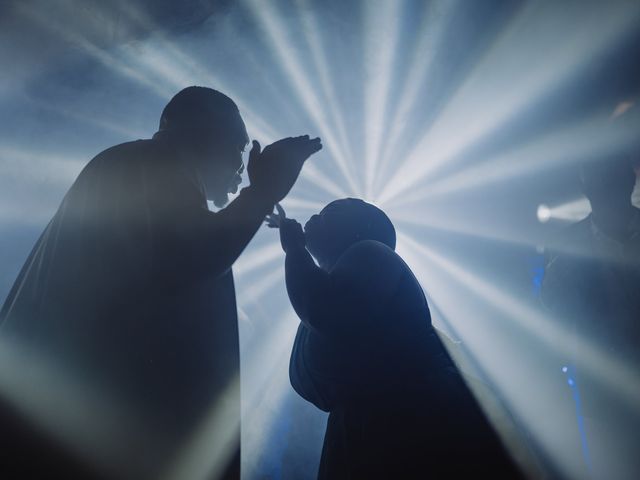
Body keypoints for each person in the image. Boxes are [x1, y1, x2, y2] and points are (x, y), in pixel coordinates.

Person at [0, 86, 322, 479]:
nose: (244, 167)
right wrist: (263, 191)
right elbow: (193, 260)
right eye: (239, 147)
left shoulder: (133, 164)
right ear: (206, 134)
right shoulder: (154, 165)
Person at [266, 199, 520, 479]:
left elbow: (325, 310)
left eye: (330, 212)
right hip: (370, 428)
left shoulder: (371, 252)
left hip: (408, 423)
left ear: (360, 227)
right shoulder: (334, 280)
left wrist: (294, 250)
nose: (315, 216)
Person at [540, 104, 640, 480]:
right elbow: (553, 312)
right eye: (597, 178)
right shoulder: (564, 248)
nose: (602, 185)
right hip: (603, 395)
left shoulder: (565, 244)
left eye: (607, 177)